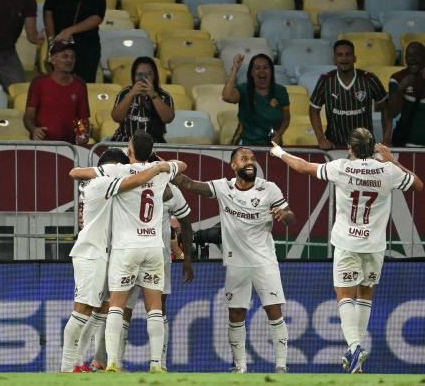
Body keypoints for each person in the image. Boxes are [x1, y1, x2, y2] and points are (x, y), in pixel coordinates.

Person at [269, 127, 423, 374]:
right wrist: (394, 161)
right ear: (374, 147)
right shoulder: (388, 170)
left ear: (350, 148)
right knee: (365, 295)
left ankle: (354, 347)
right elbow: (418, 185)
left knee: (344, 296)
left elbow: (302, 167)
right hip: (375, 245)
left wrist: (279, 152)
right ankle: (356, 359)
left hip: (348, 242)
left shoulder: (340, 167)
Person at [172, 146, 296, 374]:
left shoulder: (269, 189)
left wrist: (284, 215)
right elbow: (188, 184)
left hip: (264, 261)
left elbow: (290, 217)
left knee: (274, 311)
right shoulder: (223, 187)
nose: (250, 162)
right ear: (233, 165)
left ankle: (281, 366)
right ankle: (240, 367)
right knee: (236, 314)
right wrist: (160, 166)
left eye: (253, 159)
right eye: (244, 158)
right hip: (236, 264)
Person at [59, 148, 178, 373]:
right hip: (91, 253)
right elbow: (141, 180)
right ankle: (67, 366)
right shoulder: (102, 183)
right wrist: (159, 168)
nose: (126, 174)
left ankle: (79, 363)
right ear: (111, 169)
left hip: (105, 253)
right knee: (82, 309)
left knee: (99, 311)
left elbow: (161, 194)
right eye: (122, 170)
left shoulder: (103, 183)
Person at [116, 174, 194, 372]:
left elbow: (185, 222)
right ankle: (116, 363)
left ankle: (160, 363)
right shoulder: (128, 184)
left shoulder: (171, 190)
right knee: (124, 308)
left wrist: (187, 258)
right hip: (131, 253)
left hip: (158, 256)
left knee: (159, 308)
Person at [309, 40, 389, 150]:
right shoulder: (326, 80)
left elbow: (386, 109)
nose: (344, 58)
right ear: (334, 59)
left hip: (364, 147)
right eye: (340, 55)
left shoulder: (369, 79)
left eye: (348, 54)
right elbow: (313, 110)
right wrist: (321, 139)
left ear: (354, 58)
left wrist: (387, 139)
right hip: (335, 146)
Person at [44, 0, 106, 83]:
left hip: (87, 45)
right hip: (61, 43)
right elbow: (48, 12)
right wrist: (52, 41)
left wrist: (70, 30)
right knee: (60, 83)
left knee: (84, 84)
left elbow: (97, 17)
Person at [23, 39, 90, 145]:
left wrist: (81, 134)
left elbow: (80, 119)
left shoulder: (80, 85)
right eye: (65, 56)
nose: (69, 60)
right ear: (53, 60)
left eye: (72, 57)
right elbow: (29, 116)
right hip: (42, 145)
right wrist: (34, 129)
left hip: (69, 147)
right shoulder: (39, 83)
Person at [221, 53, 290, 146]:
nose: (262, 71)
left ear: (271, 71)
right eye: (257, 68)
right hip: (245, 144)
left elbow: (286, 119)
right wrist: (235, 69)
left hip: (272, 145)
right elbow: (227, 96)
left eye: (265, 68)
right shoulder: (243, 90)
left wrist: (279, 134)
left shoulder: (281, 91)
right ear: (251, 73)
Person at [110, 57, 175, 143]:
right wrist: (131, 94)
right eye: (139, 74)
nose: (144, 78)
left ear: (154, 76)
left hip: (154, 144)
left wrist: (153, 95)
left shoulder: (164, 96)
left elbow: (168, 119)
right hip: (125, 142)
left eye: (148, 74)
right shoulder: (125, 93)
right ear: (134, 76)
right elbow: (116, 117)